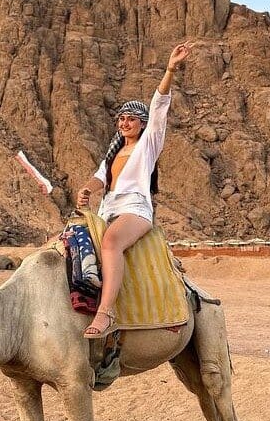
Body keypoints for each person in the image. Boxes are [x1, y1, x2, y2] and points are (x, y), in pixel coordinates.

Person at [76, 41, 194, 339]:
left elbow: (159, 107)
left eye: (131, 119)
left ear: (142, 124)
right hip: (108, 209)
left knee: (111, 242)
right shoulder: (113, 153)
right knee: (69, 239)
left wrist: (170, 69)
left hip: (135, 210)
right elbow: (99, 178)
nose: (125, 123)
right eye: (121, 118)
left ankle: (106, 313)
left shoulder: (148, 145)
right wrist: (87, 190)